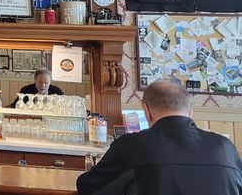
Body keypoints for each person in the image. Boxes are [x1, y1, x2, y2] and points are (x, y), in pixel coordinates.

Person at [77, 81, 242, 195]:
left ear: (146, 111)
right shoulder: (225, 146)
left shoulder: (131, 145)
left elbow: (88, 187)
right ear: (191, 113)